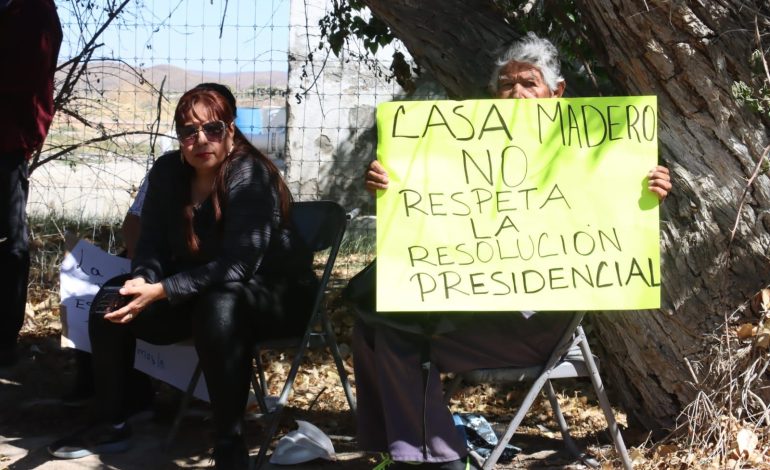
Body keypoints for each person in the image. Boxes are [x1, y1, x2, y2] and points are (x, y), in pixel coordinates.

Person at [354, 32, 672, 470]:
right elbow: (430, 218)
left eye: (529, 83)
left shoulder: (588, 156)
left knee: (393, 335)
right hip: (470, 307)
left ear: (556, 94)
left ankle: (434, 457)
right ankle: (407, 451)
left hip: (537, 321)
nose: (517, 94)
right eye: (507, 85)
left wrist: (649, 188)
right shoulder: (464, 155)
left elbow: (620, 213)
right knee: (372, 329)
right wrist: (392, 187)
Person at [48, 83, 318, 470]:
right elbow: (151, 244)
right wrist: (143, 281)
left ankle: (229, 444)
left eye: (213, 129)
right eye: (189, 131)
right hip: (206, 287)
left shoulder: (249, 174)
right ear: (179, 138)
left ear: (230, 130)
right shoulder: (168, 173)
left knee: (220, 306)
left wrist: (163, 289)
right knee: (113, 296)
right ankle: (112, 420)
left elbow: (240, 264)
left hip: (278, 294)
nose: (201, 140)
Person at [0, 0, 62, 367]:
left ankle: (4, 339)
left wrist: (25, 137)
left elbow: (29, 75)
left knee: (9, 241)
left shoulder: (34, 10)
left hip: (6, 144)